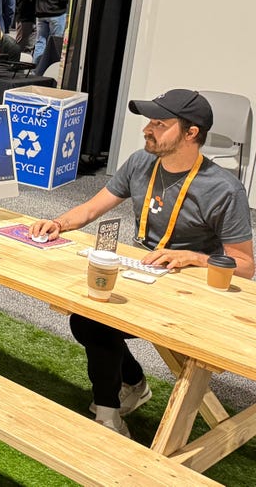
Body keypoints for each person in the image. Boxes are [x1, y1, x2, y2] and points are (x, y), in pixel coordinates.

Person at [30, 89, 254, 438]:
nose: (147, 129)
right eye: (149, 121)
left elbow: (243, 265)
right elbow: (92, 208)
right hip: (143, 273)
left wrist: (192, 257)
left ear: (191, 133)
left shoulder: (224, 189)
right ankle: (133, 384)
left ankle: (108, 416)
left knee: (96, 324)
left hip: (188, 290)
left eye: (160, 124)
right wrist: (58, 224)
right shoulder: (140, 162)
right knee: (85, 317)